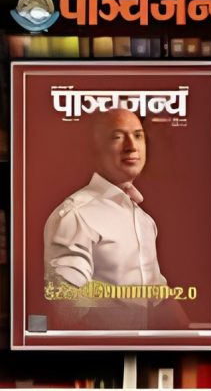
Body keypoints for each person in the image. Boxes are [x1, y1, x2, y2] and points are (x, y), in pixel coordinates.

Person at [43, 108, 175, 328]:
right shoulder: (75, 215)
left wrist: (199, 340)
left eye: (138, 135)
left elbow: (158, 297)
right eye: (117, 137)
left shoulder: (144, 220)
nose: (132, 146)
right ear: (95, 150)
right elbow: (67, 307)